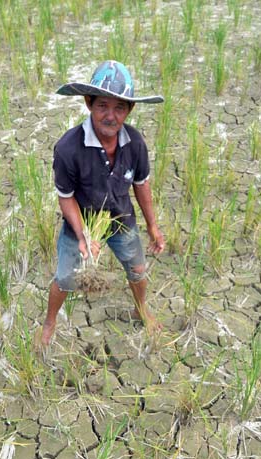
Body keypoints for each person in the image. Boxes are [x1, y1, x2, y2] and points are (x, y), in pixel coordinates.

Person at [40, 60, 166, 347]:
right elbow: (66, 197)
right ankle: (49, 323)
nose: (110, 116)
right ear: (89, 104)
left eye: (119, 107)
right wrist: (84, 233)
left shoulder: (134, 143)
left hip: (121, 219)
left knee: (138, 270)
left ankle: (141, 308)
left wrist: (153, 226)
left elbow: (141, 183)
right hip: (79, 224)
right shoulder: (68, 148)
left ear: (129, 110)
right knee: (64, 279)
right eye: (103, 106)